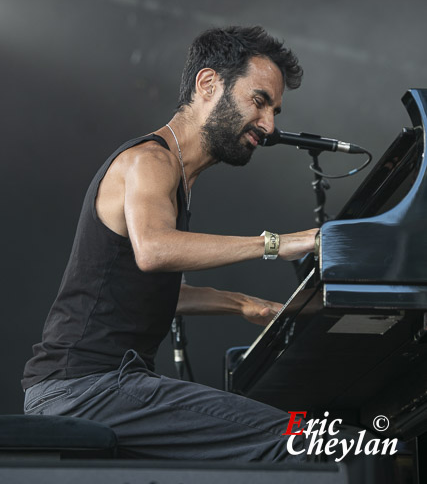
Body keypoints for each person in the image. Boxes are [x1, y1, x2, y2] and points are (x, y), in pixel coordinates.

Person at [22, 25, 317, 460]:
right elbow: (155, 251)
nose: (270, 126)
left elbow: (143, 289)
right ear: (208, 84)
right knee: (306, 440)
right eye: (259, 102)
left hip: (90, 388)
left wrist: (241, 304)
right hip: (86, 390)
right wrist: (277, 243)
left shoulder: (176, 174)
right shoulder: (150, 161)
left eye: (275, 110)